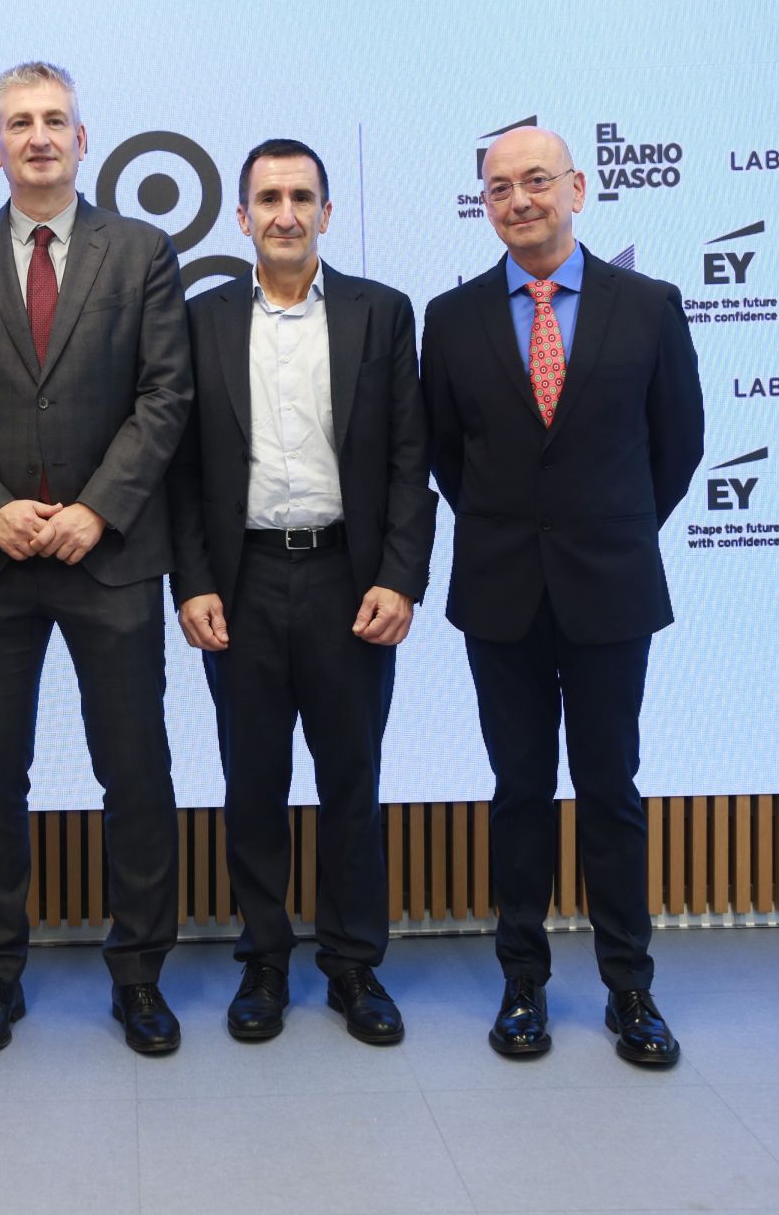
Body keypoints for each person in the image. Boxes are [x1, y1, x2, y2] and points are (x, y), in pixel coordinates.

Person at [0, 61, 193, 1055]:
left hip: (109, 559)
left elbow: (166, 395)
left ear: (83, 139)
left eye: (55, 120)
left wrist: (97, 511)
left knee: (136, 772)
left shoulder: (142, 250)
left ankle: (140, 975)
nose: (39, 136)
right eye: (19, 123)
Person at [420, 126, 703, 1066]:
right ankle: (523, 982)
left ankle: (630, 988)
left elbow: (679, 444)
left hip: (611, 586)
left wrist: (609, 526)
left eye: (537, 180)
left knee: (611, 788)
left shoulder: (649, 305)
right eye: (500, 188)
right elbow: (448, 455)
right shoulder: (451, 318)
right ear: (486, 205)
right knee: (518, 791)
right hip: (500, 589)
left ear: (577, 188)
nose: (520, 200)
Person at [168, 139, 435, 1044]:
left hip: (346, 579)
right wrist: (192, 582)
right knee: (253, 781)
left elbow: (409, 459)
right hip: (239, 582)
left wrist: (400, 576)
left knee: (351, 779)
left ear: (327, 211)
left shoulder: (381, 313)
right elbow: (180, 471)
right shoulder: (199, 319)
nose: (286, 213)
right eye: (269, 198)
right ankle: (265, 962)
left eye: (302, 196)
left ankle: (354, 965)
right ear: (241, 216)